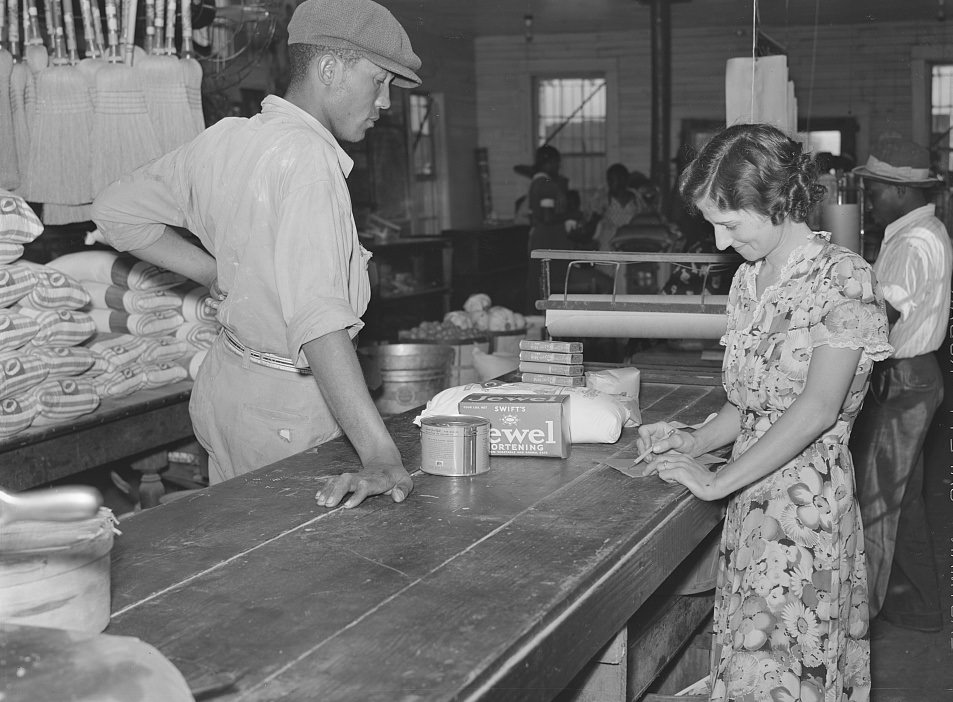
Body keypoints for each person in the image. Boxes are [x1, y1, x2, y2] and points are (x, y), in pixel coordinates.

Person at [91, 0, 422, 509]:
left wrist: (209, 270)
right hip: (283, 413)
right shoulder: (309, 159)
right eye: (378, 81)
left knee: (237, 556)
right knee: (288, 572)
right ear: (329, 68)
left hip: (226, 386)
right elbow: (318, 322)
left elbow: (115, 210)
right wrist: (380, 453)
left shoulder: (229, 138)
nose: (384, 102)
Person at [636, 124, 891, 701]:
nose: (721, 244)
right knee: (750, 672)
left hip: (803, 520)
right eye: (712, 225)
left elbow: (817, 409)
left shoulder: (843, 278)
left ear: (775, 201)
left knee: (780, 678)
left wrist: (717, 478)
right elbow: (746, 405)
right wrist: (693, 444)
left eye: (729, 224)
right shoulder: (751, 280)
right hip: (751, 506)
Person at [849, 137, 952, 632]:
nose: (868, 197)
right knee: (901, 497)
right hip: (913, 376)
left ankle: (857, 618)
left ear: (898, 191)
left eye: (874, 189)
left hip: (905, 380)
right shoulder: (914, 232)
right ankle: (919, 606)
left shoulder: (915, 242)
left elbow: (882, 314)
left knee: (876, 499)